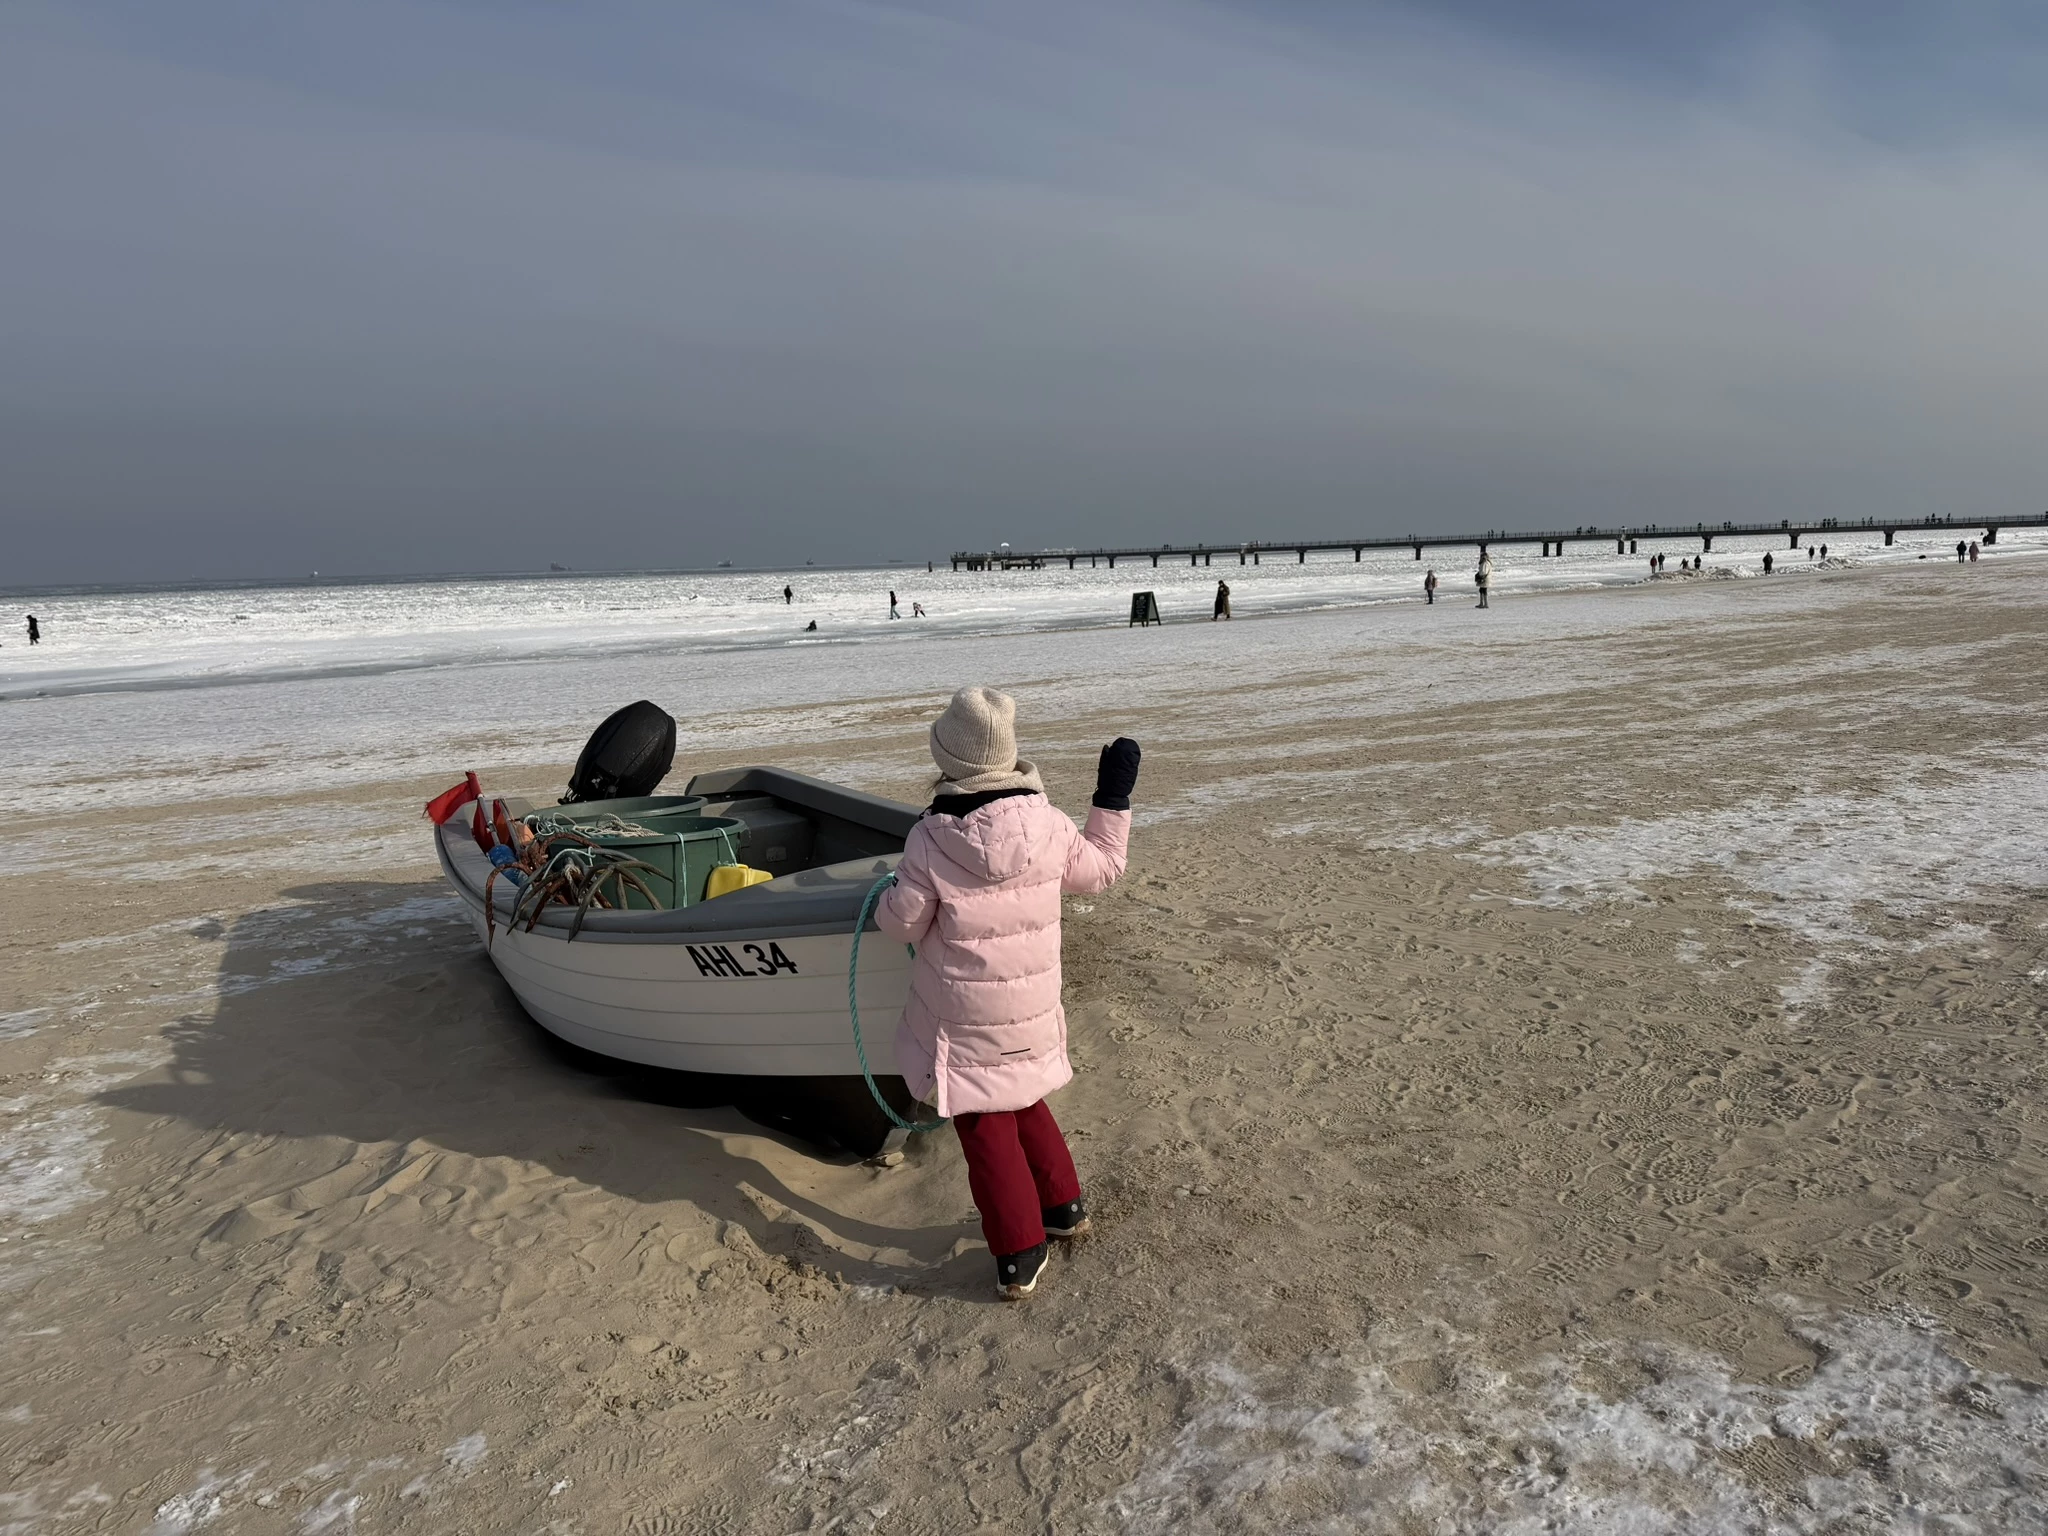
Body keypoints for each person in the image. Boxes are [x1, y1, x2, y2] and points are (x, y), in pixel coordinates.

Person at [875, 688, 1136, 1300]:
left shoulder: (932, 838)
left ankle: (1020, 1249)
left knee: (984, 1125)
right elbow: (1102, 871)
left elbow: (901, 924)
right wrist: (1113, 797)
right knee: (1022, 1100)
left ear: (949, 761)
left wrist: (892, 891)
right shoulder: (1047, 824)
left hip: (966, 1018)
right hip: (1032, 1008)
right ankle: (1064, 1208)